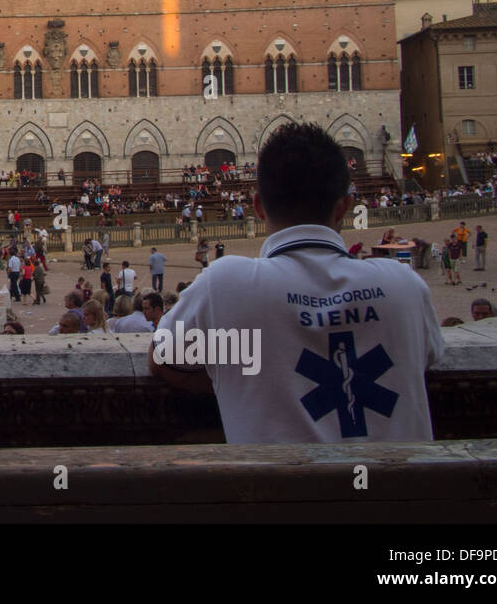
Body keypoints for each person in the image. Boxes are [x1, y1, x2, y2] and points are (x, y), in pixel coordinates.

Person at [151, 122, 445, 444]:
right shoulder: (404, 286)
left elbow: (162, 356)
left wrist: (229, 376)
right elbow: (425, 360)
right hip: (406, 491)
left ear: (259, 206)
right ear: (344, 207)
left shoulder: (227, 284)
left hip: (280, 493)